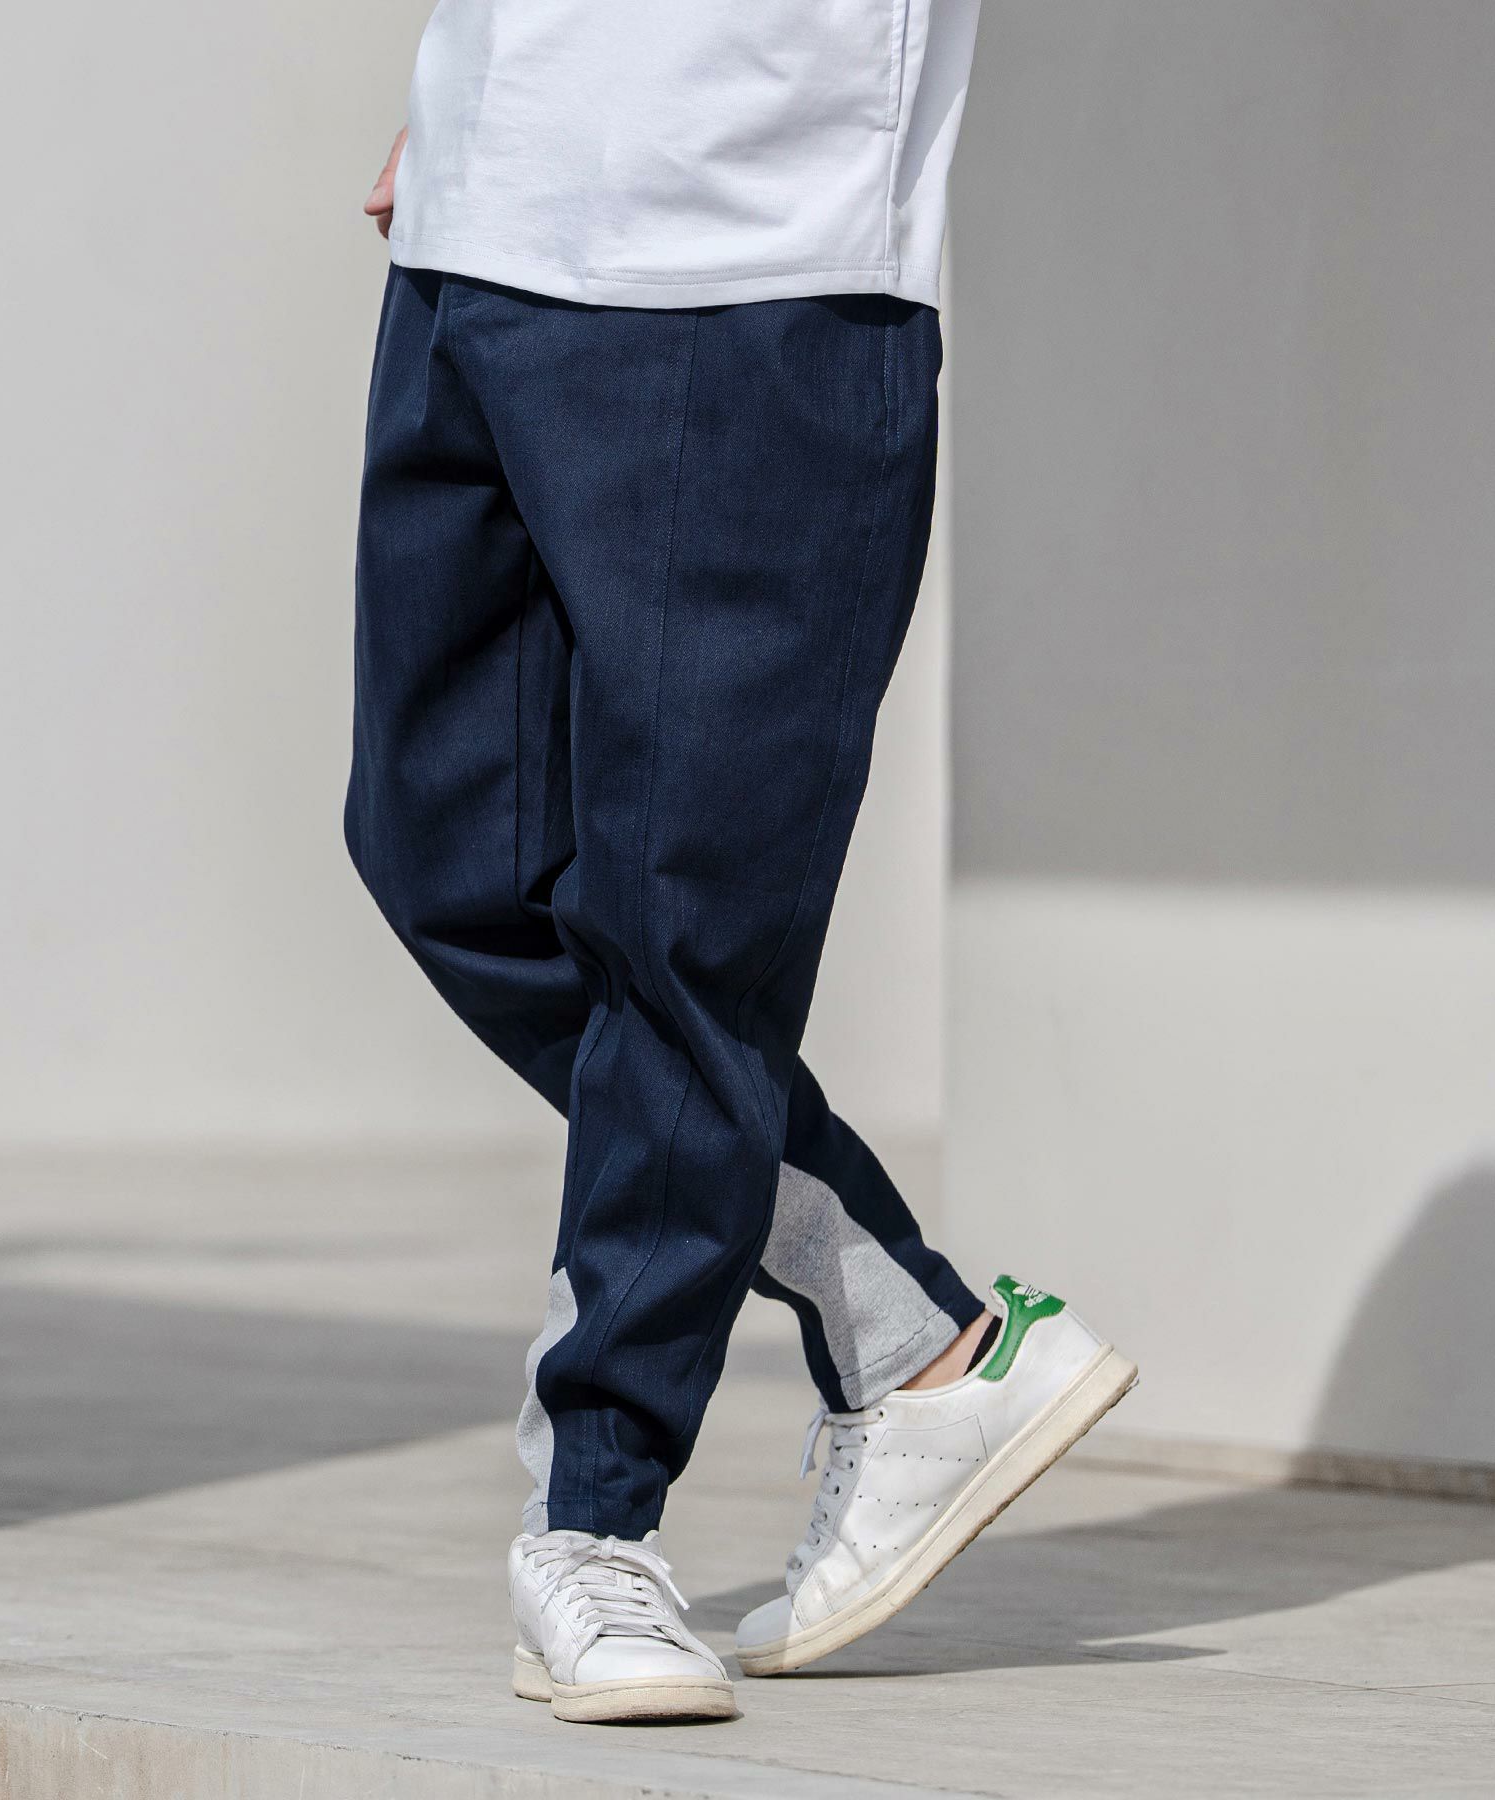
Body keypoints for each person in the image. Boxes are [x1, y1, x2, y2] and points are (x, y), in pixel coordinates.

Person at [348, 0, 1135, 1725]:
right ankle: (917, 1341)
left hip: (754, 251)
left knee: (684, 939)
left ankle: (596, 1518)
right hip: (482, 212)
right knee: (448, 856)